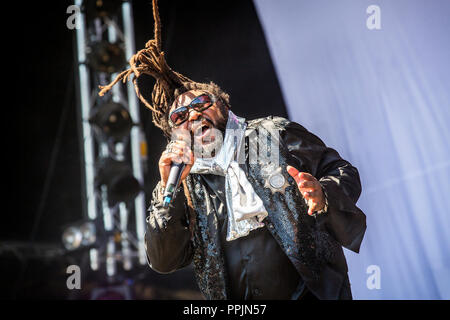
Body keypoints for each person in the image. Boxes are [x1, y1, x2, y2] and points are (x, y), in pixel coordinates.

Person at [99, 0, 366, 300]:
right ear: (175, 135)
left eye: (200, 104)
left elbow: (344, 171)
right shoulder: (184, 185)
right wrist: (165, 190)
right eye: (180, 116)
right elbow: (162, 260)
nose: (193, 114)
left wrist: (323, 193)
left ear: (223, 107)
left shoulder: (272, 133)